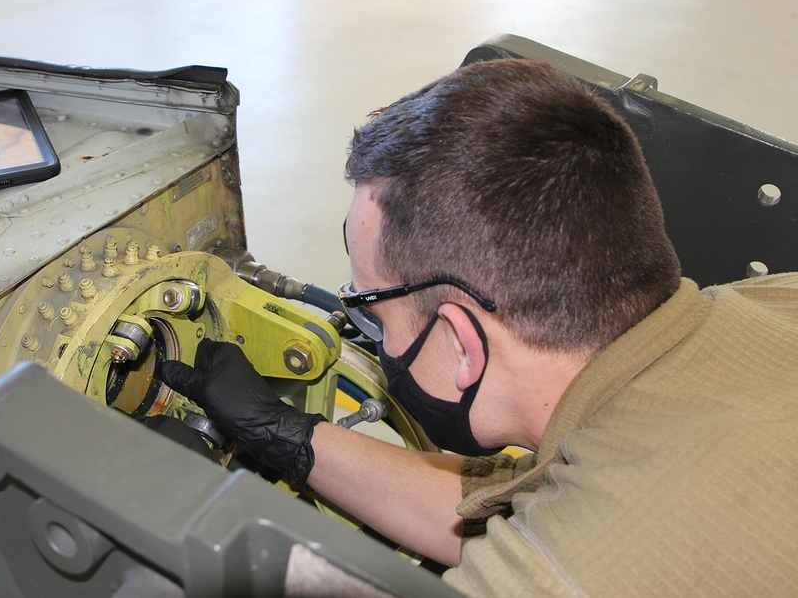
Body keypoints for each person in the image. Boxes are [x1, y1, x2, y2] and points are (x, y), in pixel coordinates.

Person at [158, 58, 798, 595]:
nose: (377, 339)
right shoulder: (776, 299)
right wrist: (285, 434)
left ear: (465, 344)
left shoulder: (570, 575)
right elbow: (518, 512)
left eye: (376, 313)